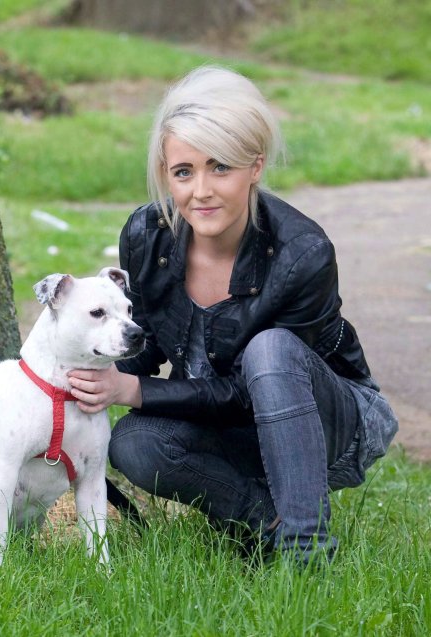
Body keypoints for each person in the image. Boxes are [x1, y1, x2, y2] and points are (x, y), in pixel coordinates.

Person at [65, 66, 398, 564]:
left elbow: (259, 387)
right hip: (225, 419)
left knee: (271, 350)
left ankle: (306, 552)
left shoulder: (302, 253)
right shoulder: (147, 234)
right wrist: (76, 371)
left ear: (255, 166)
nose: (200, 191)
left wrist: (133, 391)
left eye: (220, 167)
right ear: (166, 174)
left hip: (330, 422)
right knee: (134, 443)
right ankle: (265, 519)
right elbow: (151, 338)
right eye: (183, 172)